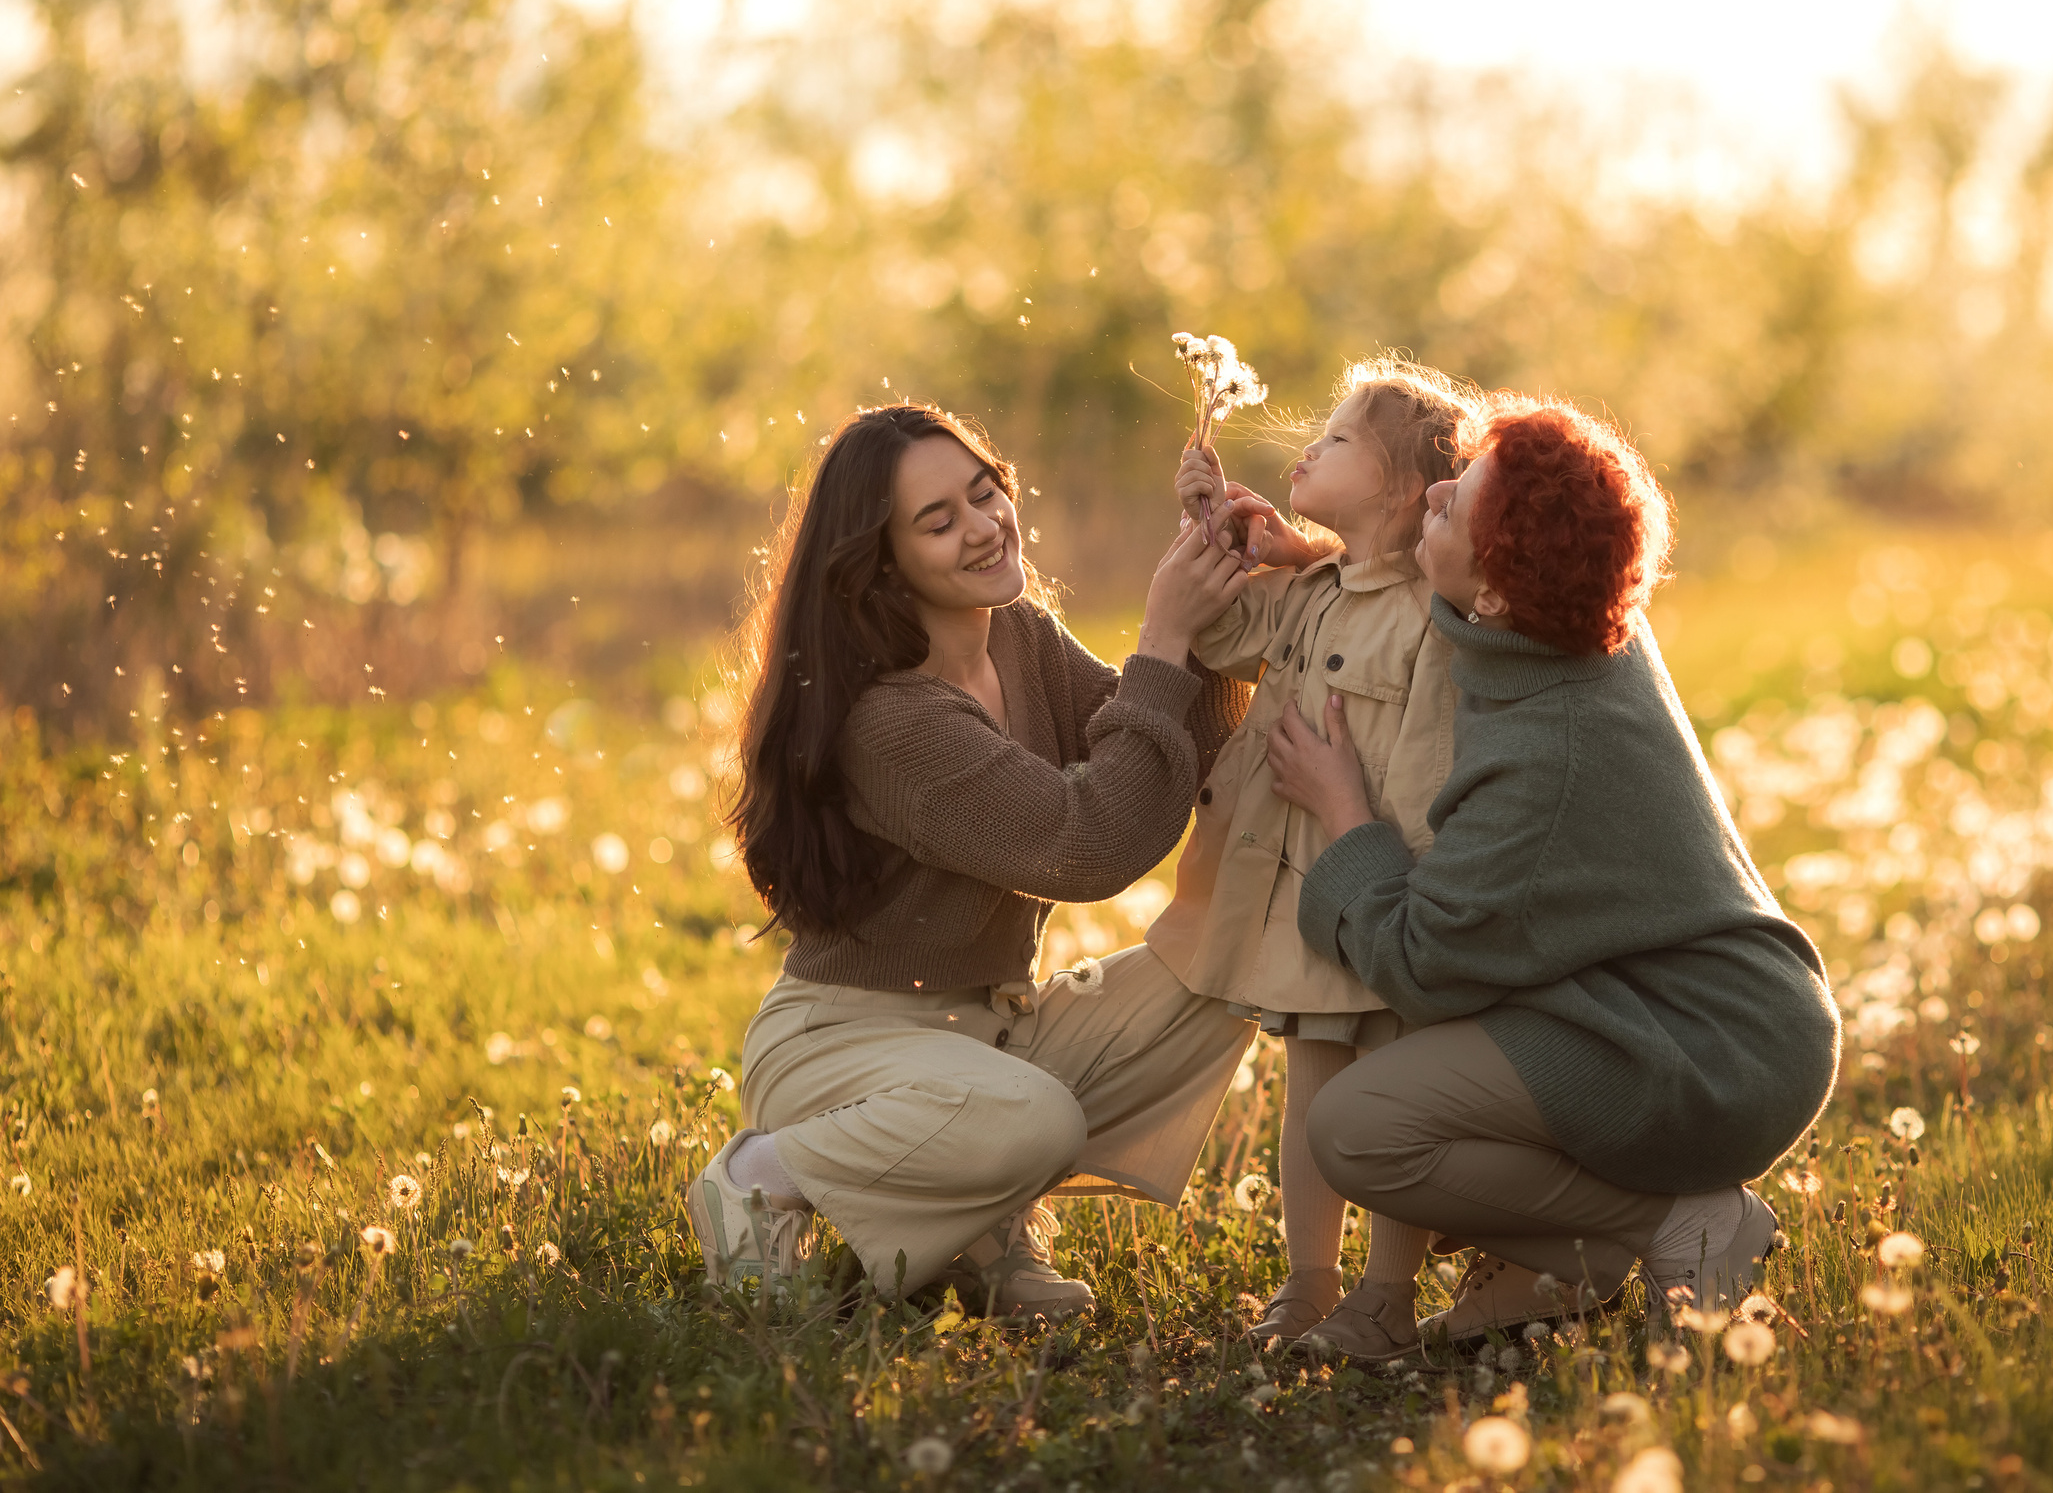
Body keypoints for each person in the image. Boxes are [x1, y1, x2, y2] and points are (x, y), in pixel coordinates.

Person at [1264, 398, 1841, 1358]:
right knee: (1409, 1101)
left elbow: (1421, 963)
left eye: (1453, 509)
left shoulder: (1545, 749)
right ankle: (1567, 1258)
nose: (1434, 493)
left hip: (1703, 1043)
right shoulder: (1575, 606)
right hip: (1662, 997)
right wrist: (1321, 562)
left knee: (1361, 1128)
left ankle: (1676, 1225)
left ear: (1494, 592)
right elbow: (1433, 576)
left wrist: (1343, 815)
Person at [688, 402, 1258, 1319]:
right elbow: (1086, 844)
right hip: (844, 1043)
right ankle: (757, 1173)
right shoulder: (891, 719)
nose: (984, 527)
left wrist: (1225, 576)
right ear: (882, 561)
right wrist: (1163, 633)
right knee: (1033, 1117)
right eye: (939, 520)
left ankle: (975, 1231)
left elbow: (1168, 736)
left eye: (985, 494)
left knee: (1230, 968)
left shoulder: (1019, 636)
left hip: (994, 1026)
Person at [1149, 356, 1478, 1350]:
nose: (1307, 446)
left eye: (1336, 440)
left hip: (1376, 889)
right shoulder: (1312, 585)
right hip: (1298, 892)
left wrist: (1405, 902)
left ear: (1408, 490)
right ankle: (1307, 1279)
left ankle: (1385, 1291)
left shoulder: (1432, 616)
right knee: (1312, 1087)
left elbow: (1427, 771)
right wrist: (1211, 531)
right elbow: (1220, 634)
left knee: (1382, 1098)